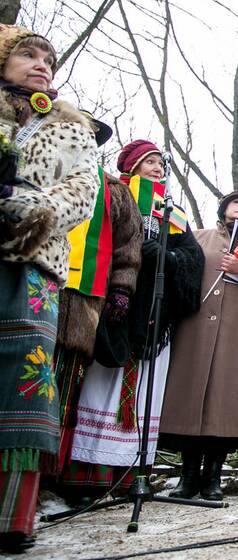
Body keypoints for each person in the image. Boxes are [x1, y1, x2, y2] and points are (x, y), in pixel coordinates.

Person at [0, 25, 97, 552]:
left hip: (36, 262)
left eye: (49, 60)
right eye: (29, 55)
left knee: (26, 381)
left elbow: (83, 189)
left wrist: (32, 211)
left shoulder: (69, 128)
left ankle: (13, 516)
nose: (42, 65)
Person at [63, 140, 204, 499]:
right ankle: (87, 477)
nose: (158, 168)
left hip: (156, 317)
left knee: (144, 397)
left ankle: (129, 478)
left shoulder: (171, 212)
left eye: (161, 163)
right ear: (133, 165)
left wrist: (167, 259)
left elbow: (192, 259)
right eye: (150, 162)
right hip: (115, 308)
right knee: (102, 388)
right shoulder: (113, 195)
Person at [159, 189, 238, 501]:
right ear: (224, 208)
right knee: (190, 403)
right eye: (237, 203)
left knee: (224, 405)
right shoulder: (199, 237)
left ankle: (213, 478)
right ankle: (187, 478)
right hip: (194, 331)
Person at [49, 117, 143, 506]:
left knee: (66, 390)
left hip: (86, 303)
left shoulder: (114, 191)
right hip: (36, 289)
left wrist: (121, 291)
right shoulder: (40, 170)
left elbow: (127, 248)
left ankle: (52, 479)